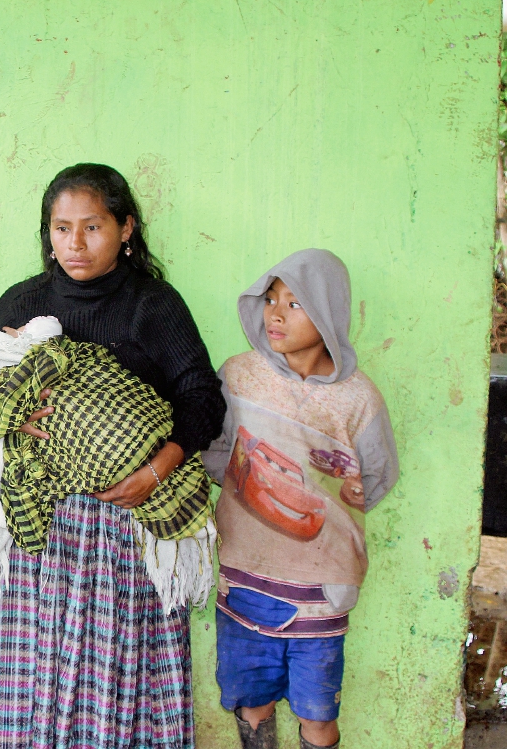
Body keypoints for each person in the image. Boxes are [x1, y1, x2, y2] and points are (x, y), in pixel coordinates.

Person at [0, 163, 226, 749]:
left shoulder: (153, 306)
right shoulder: (21, 303)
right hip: (34, 533)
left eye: (93, 227)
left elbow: (203, 402)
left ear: (125, 228)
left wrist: (153, 473)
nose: (74, 244)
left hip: (124, 530)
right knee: (23, 676)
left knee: (115, 678)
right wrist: (10, 418)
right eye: (61, 228)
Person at [202, 249, 398, 749]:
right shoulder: (239, 376)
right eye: (270, 299)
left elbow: (376, 476)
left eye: (295, 303)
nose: (276, 313)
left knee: (317, 714)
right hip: (245, 573)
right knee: (252, 701)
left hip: (323, 587)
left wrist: (339, 498)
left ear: (329, 313)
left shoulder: (359, 397)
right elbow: (214, 452)